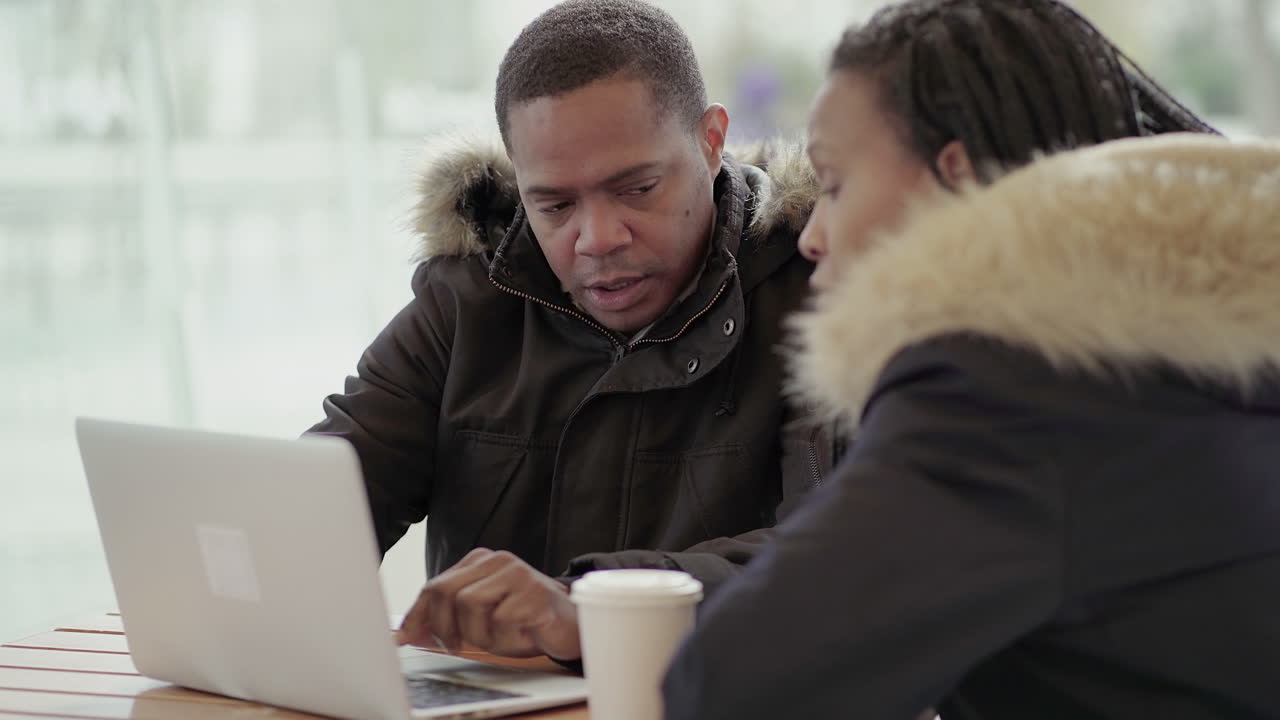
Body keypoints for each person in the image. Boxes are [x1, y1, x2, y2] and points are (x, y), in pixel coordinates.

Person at [663, 1, 1280, 718]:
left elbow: (731, 682)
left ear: (953, 175)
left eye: (834, 185)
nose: (812, 236)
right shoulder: (1194, 351)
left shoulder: (1009, 392)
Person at [307, 0, 835, 663]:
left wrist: (591, 608)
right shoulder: (467, 297)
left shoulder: (819, 296)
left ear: (710, 139)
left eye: (638, 189)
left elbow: (833, 561)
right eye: (553, 204)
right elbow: (333, 488)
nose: (598, 239)